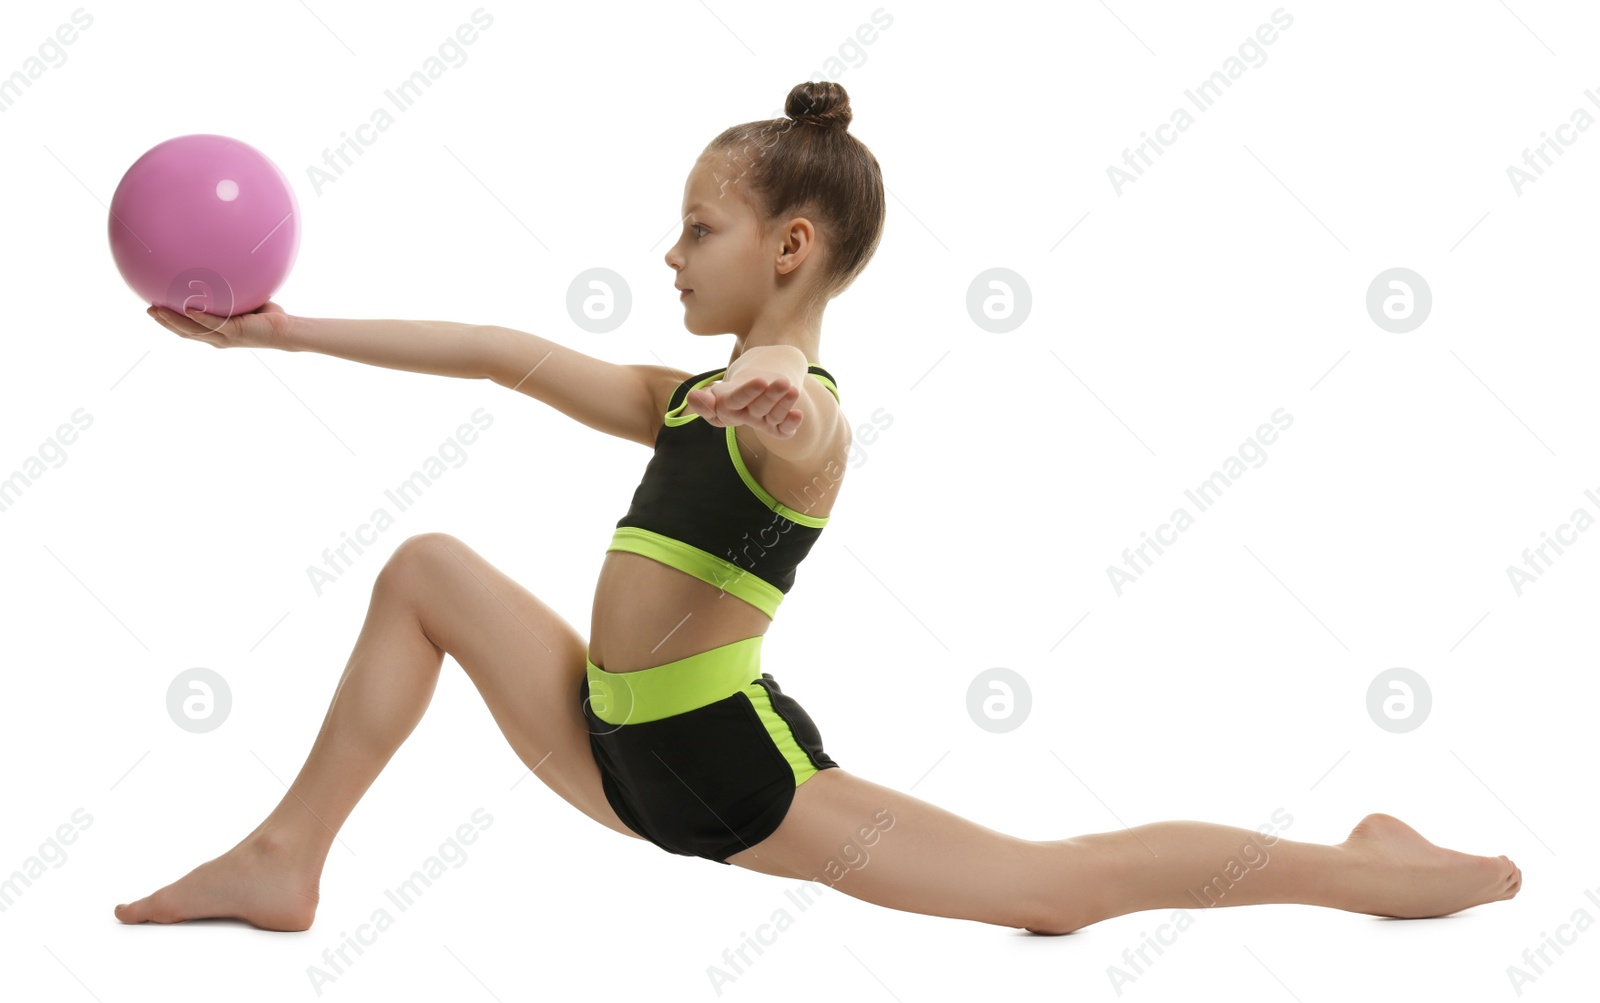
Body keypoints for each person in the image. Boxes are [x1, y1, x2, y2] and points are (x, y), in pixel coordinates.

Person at [118, 80, 1520, 936]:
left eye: (698, 229)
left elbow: (810, 406)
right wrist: (285, 335)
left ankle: (1370, 874)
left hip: (734, 780)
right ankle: (283, 856)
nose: (669, 252)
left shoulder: (790, 419)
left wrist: (789, 391)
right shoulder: (684, 399)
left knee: (1053, 888)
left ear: (791, 246)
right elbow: (499, 350)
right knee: (427, 564)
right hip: (620, 753)